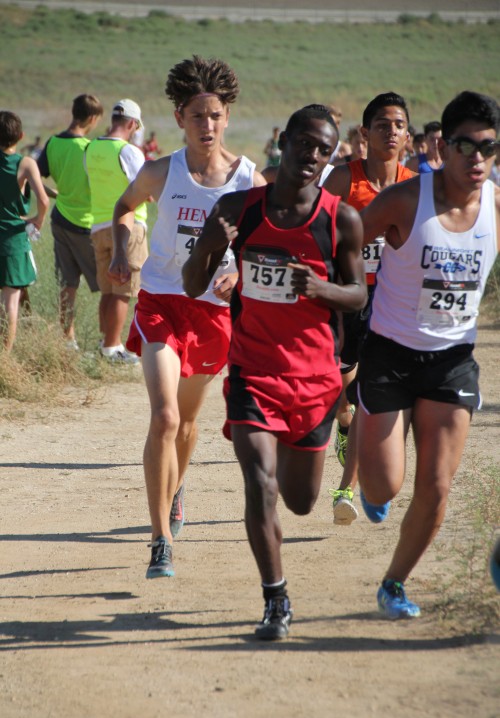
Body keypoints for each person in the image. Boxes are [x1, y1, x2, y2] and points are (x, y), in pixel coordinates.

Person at [183, 104, 367, 640]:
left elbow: (356, 296)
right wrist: (211, 247)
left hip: (315, 380)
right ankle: (275, 599)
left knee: (301, 501)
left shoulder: (341, 219)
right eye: (304, 143)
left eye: (323, 150)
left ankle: (324, 442)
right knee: (259, 485)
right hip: (253, 371)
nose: (311, 156)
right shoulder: (240, 207)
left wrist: (320, 289)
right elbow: (195, 283)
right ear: (283, 141)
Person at [109, 55, 265, 578]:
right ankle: (160, 539)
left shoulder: (248, 180)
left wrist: (240, 276)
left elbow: (266, 244)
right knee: (166, 415)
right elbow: (124, 206)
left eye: (216, 115)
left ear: (227, 117)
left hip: (213, 313)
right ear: (179, 117)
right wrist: (121, 246)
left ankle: (177, 489)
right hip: (160, 301)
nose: (208, 125)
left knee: (190, 421)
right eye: (197, 116)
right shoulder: (161, 171)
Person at [355, 90, 499, 619]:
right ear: (444, 145)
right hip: (389, 353)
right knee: (383, 486)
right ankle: (370, 481)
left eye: (489, 148)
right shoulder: (404, 200)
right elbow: (344, 247)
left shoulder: (496, 207)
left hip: (451, 360)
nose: (477, 159)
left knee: (436, 487)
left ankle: (393, 583)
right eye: (466, 146)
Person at [322, 92, 415, 525]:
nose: (390, 131)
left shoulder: (415, 185)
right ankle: (342, 425)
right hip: (347, 299)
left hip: (391, 304)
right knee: (340, 391)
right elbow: (313, 227)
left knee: (365, 395)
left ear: (408, 136)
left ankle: (347, 488)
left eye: (398, 125)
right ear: (365, 134)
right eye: (382, 124)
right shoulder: (344, 179)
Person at [37, 94, 103, 349]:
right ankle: (106, 341)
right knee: (107, 286)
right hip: (86, 225)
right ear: (92, 118)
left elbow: (36, 174)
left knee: (67, 285)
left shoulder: (53, 142)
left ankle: (68, 339)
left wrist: (53, 194)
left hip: (60, 220)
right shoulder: (88, 148)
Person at [85, 99, 148, 363]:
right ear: (133, 124)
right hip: (127, 226)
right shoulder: (129, 151)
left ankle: (104, 344)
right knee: (123, 291)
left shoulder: (91, 148)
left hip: (98, 225)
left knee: (108, 290)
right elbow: (144, 189)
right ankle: (113, 348)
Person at [0, 111, 49, 351]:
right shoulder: (25, 163)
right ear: (21, 136)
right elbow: (44, 200)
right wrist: (37, 220)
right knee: (11, 301)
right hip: (13, 240)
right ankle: (6, 356)